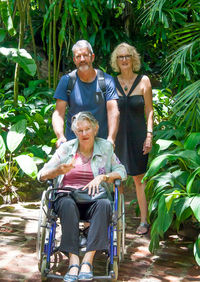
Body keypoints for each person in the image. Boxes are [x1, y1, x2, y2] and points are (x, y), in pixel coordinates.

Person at [38, 111, 127, 282]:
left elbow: (121, 171)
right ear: (75, 132)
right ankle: (73, 260)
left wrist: (104, 177)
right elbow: (42, 174)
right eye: (80, 130)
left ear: (95, 129)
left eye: (87, 129)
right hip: (68, 196)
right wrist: (58, 171)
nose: (84, 134)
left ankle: (88, 260)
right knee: (67, 205)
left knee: (105, 205)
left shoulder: (106, 148)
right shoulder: (66, 149)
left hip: (95, 197)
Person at [110, 43, 153, 235]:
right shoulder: (111, 82)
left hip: (138, 136)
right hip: (118, 137)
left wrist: (149, 136)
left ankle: (144, 222)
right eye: (120, 57)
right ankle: (117, 220)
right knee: (117, 179)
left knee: (138, 178)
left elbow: (149, 111)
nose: (124, 60)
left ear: (133, 58)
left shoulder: (144, 81)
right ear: (116, 61)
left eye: (127, 56)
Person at [52, 39, 119, 148]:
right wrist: (60, 136)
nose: (82, 59)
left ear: (92, 57)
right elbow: (58, 113)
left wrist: (111, 138)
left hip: (101, 144)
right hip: (74, 144)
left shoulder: (106, 80)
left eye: (85, 55)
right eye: (78, 56)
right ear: (74, 60)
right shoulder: (67, 81)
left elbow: (113, 112)